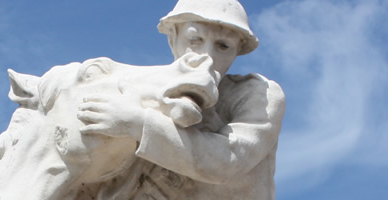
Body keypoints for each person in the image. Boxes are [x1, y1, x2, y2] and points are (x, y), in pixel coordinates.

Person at [75, 0, 285, 199]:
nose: (207, 56)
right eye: (195, 40)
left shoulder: (258, 95)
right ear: (172, 38)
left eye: (223, 46)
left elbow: (226, 161)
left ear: (237, 50)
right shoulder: (151, 98)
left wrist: (138, 124)